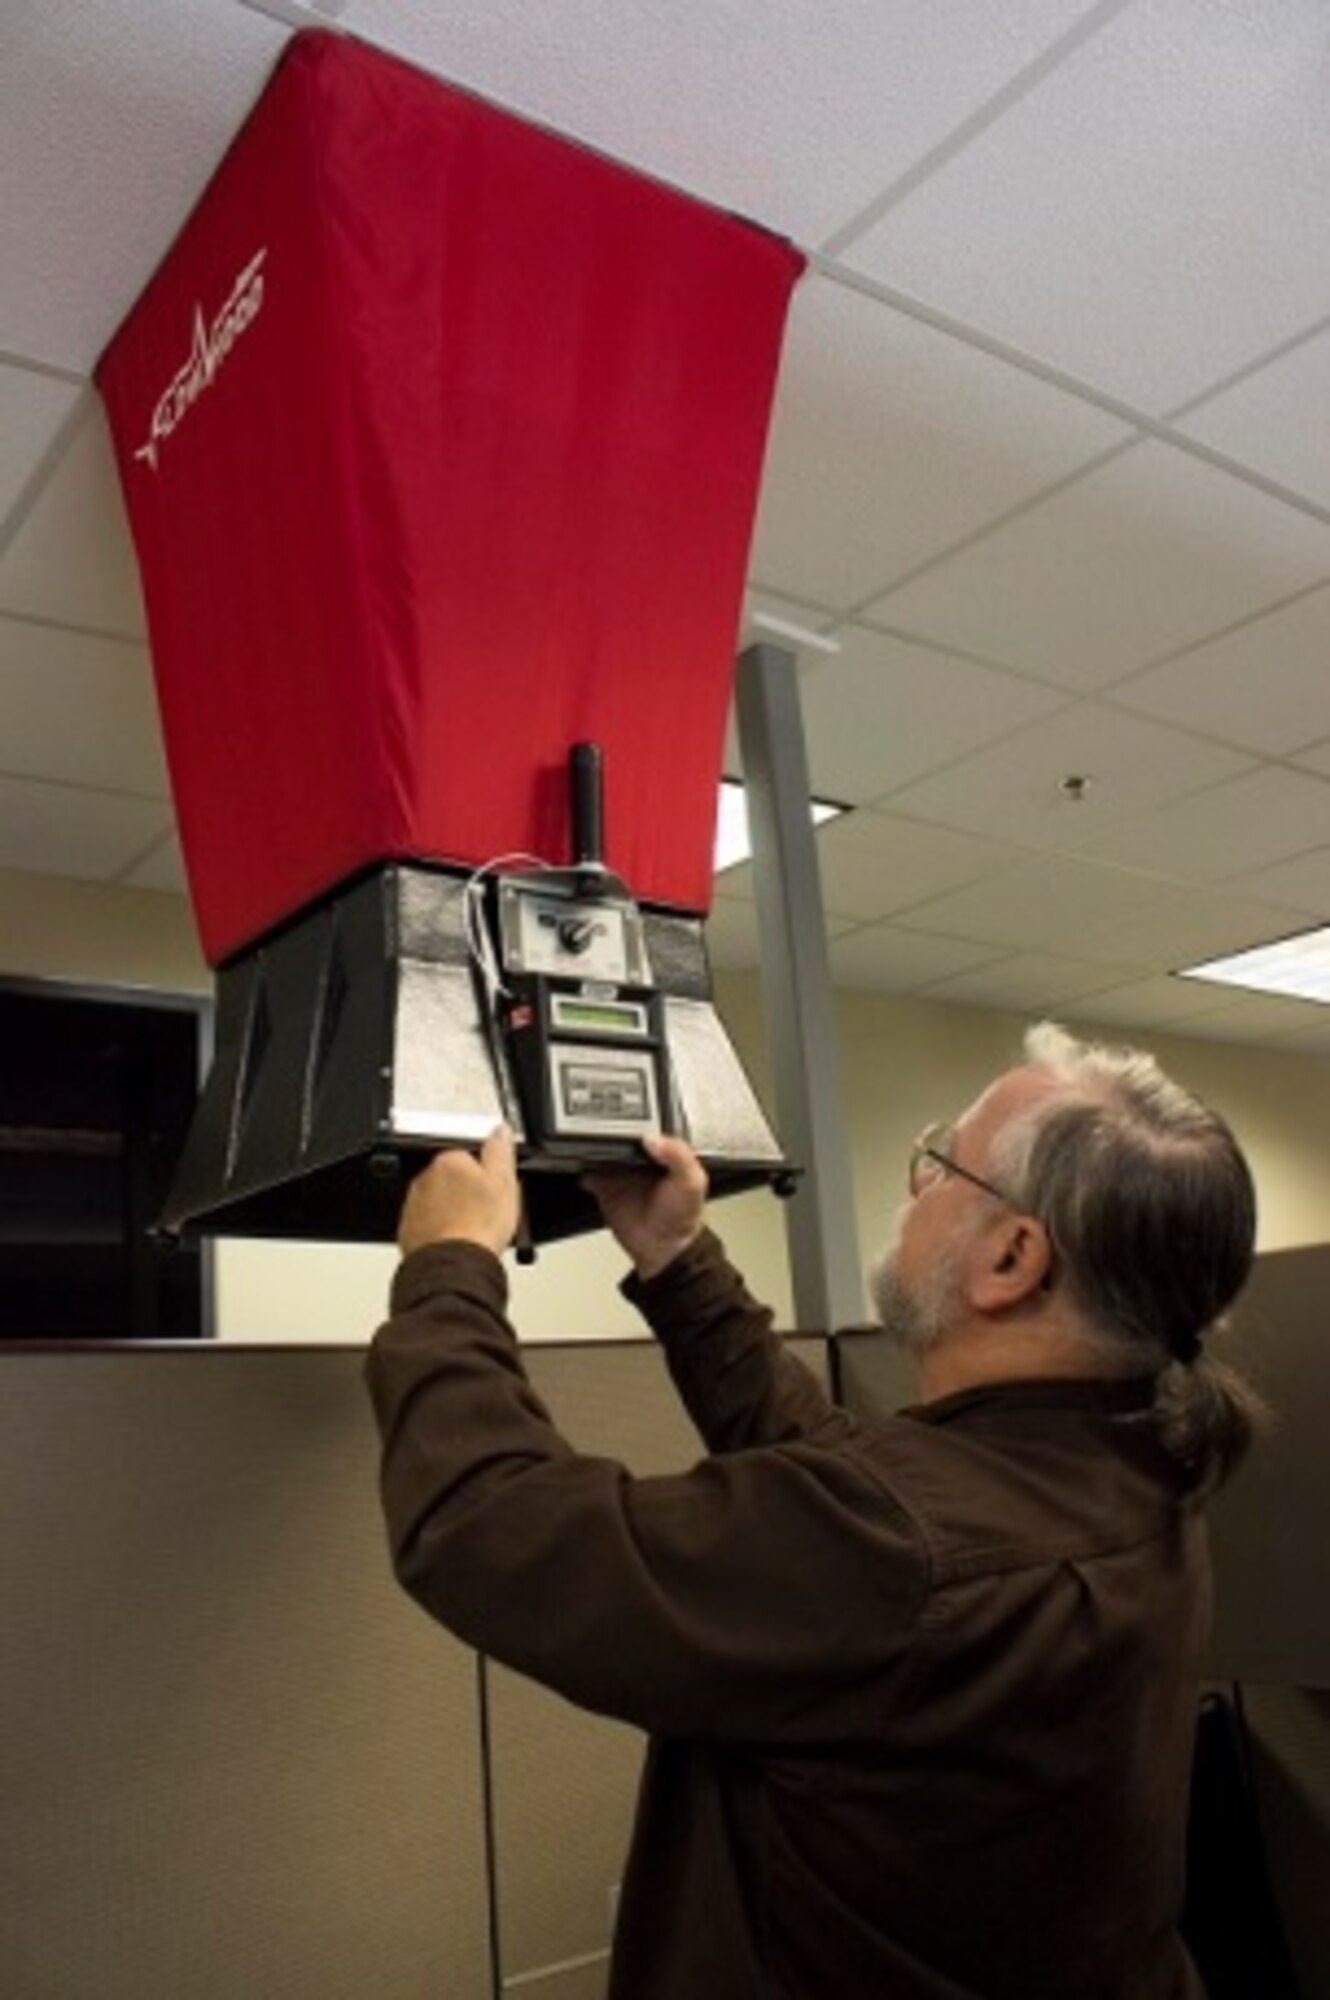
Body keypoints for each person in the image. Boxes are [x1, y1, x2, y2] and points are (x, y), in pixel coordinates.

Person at [365, 1021, 1265, 1999]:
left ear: (1009, 1256)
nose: (914, 1186)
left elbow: (493, 1531)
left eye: (940, 1164)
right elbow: (859, 1493)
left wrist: (449, 1265)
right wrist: (675, 1255)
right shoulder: (1138, 1471)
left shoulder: (901, 1540)